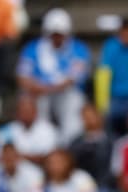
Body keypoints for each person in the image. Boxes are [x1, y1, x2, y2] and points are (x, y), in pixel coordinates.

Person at [16, 8, 90, 143]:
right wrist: (40, 88)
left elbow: (72, 79)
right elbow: (23, 77)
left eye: (60, 34)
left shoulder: (78, 48)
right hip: (40, 93)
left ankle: (70, 142)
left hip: (65, 93)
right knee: (31, 99)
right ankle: (42, 142)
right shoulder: (32, 48)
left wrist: (49, 88)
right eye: (53, 34)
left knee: (74, 100)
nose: (57, 38)